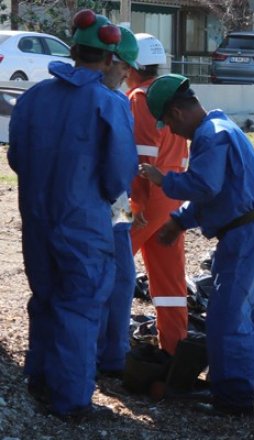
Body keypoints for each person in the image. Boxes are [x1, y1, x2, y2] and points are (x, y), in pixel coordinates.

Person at [7, 10, 136, 420]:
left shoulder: (33, 97)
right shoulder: (108, 103)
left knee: (45, 298)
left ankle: (40, 380)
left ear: (75, 49)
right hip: (82, 222)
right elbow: (119, 175)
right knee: (79, 308)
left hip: (37, 219)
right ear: (110, 58)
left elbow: (16, 157)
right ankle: (72, 402)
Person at [139, 74, 254, 416]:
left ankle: (234, 401)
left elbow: (205, 186)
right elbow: (219, 193)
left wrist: (166, 180)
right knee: (249, 318)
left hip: (247, 236)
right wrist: (179, 221)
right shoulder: (224, 129)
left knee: (227, 319)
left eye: (169, 125)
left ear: (175, 113)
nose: (173, 133)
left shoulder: (210, 135)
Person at [126, 32, 190, 356]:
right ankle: (175, 350)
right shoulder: (171, 97)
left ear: (132, 65)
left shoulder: (139, 97)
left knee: (113, 265)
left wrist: (131, 209)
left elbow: (141, 160)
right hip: (173, 201)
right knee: (170, 283)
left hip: (147, 198)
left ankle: (99, 348)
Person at [96, 25, 140, 378]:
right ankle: (111, 357)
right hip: (111, 204)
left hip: (64, 207)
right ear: (109, 60)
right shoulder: (114, 102)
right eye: (124, 65)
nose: (127, 73)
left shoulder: (45, 95)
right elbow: (123, 168)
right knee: (121, 277)